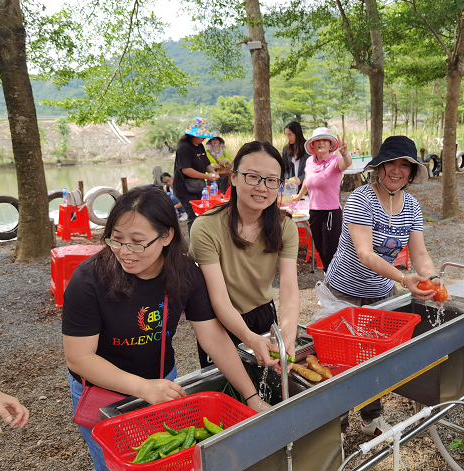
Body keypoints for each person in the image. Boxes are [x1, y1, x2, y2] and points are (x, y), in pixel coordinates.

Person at [62, 186, 268, 471]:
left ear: (167, 236)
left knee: (164, 460)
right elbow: (79, 358)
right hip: (103, 390)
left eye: (137, 242)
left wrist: (251, 397)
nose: (125, 252)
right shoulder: (88, 280)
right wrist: (142, 388)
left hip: (160, 380)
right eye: (116, 239)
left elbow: (213, 338)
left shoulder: (186, 273)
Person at [325, 135, 448, 437]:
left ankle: (371, 418)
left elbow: (419, 254)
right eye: (391, 163)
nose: (397, 170)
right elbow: (365, 254)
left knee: (375, 357)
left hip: (381, 294)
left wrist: (432, 279)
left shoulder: (412, 206)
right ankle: (335, 427)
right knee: (340, 360)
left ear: (412, 171)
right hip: (344, 293)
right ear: (378, 167)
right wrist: (404, 279)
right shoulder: (361, 199)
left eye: (404, 165)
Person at [189, 141, 300, 371]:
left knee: (267, 379)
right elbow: (219, 299)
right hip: (219, 321)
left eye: (271, 180)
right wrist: (249, 338)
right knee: (225, 384)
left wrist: (288, 336)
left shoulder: (285, 227)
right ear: (234, 177)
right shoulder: (206, 228)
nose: (262, 187)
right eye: (252, 177)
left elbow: (289, 288)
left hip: (263, 312)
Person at [292, 127, 352, 270]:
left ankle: (332, 278)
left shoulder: (336, 160)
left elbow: (347, 163)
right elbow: (307, 180)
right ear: (312, 144)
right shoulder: (309, 162)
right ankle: (331, 276)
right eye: (317, 140)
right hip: (314, 211)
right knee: (319, 248)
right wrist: (299, 196)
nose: (321, 143)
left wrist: (345, 154)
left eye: (325, 140)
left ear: (331, 144)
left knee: (329, 252)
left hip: (331, 212)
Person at [172, 117, 220, 233]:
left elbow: (206, 163)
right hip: (184, 188)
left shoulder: (200, 146)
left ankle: (201, 238)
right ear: (194, 134)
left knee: (201, 215)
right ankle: (193, 242)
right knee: (193, 216)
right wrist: (207, 176)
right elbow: (186, 170)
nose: (204, 138)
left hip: (198, 186)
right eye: (202, 136)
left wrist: (213, 173)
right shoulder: (184, 147)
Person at [281, 121, 310, 193]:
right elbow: (285, 168)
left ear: (297, 133)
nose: (288, 138)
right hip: (291, 188)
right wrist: (287, 178)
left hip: (306, 187)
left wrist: (301, 179)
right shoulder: (286, 149)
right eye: (287, 135)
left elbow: (313, 169)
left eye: (290, 135)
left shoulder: (309, 149)